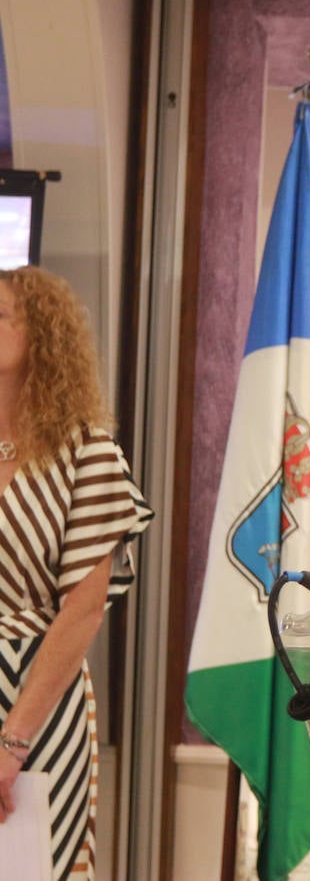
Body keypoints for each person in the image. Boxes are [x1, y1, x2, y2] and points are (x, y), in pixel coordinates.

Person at [0, 266, 152, 879]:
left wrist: (13, 740)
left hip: (36, 694)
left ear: (42, 335)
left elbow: (84, 611)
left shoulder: (86, 453)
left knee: (30, 866)